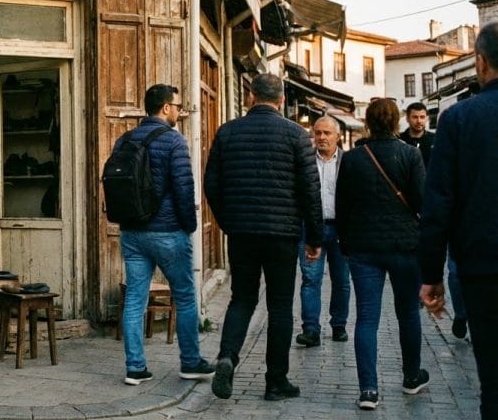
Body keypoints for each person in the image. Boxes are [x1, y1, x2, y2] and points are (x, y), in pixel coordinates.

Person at [204, 73, 323, 401]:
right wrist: (314, 238)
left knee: (241, 298)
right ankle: (276, 381)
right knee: (281, 306)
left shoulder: (227, 133)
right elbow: (310, 192)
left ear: (251, 97)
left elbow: (211, 184)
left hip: (242, 232)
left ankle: (227, 356)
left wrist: (229, 221)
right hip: (282, 235)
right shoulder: (297, 136)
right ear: (282, 100)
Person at [420, 22, 498, 420]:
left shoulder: (459, 120)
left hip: (485, 269)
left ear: (481, 63)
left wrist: (431, 274)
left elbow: (439, 203)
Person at [115, 84, 214, 386]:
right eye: (177, 106)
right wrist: (190, 226)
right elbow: (184, 189)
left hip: (132, 232)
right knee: (185, 297)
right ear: (166, 107)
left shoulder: (125, 139)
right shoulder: (174, 141)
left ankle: (135, 368)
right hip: (168, 231)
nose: (180, 111)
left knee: (134, 299)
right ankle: (190, 362)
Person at [336, 98, 428, 411]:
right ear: (395, 122)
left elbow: (342, 207)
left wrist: (346, 245)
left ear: (368, 123)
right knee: (408, 314)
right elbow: (421, 201)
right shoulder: (409, 154)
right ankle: (411, 376)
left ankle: (368, 390)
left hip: (363, 248)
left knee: (366, 318)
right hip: (404, 247)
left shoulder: (351, 159)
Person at [400, 102, 467, 339]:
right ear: (407, 118)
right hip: (412, 209)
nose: (419, 121)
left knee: (454, 268)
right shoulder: (401, 142)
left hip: (441, 207)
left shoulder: (434, 141)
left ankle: (460, 313)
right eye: (415, 117)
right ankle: (423, 289)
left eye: (422, 117)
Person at [296, 116, 351, 347]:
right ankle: (311, 329)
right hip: (310, 228)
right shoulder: (305, 161)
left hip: (341, 229)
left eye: (327, 133)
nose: (321, 137)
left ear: (338, 136)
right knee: (310, 279)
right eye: (317, 133)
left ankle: (338, 325)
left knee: (342, 280)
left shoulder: (349, 161)